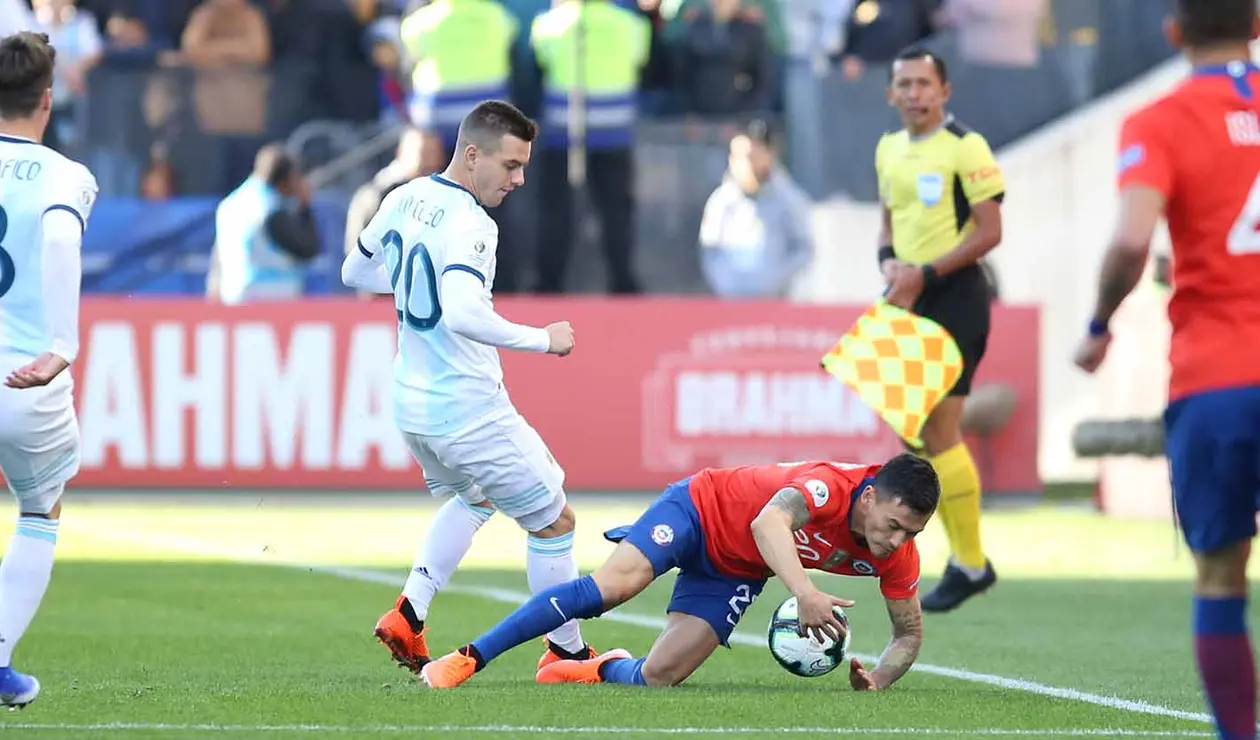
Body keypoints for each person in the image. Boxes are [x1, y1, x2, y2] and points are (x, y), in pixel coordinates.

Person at [340, 100, 596, 674]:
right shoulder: (473, 223)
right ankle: (567, 655)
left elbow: (352, 273)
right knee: (554, 522)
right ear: (472, 154)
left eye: (523, 166)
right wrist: (542, 339)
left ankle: (410, 611)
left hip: (413, 406)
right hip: (467, 409)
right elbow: (460, 313)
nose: (519, 179)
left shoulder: (403, 196)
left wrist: (410, 283)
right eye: (509, 166)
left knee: (475, 498)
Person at [1073, 2, 1260, 737]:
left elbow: (1129, 244)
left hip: (1216, 379)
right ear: (1255, 25)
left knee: (1220, 576)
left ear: (1174, 32)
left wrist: (1097, 325)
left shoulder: (1160, 119)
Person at [420, 454, 939, 690]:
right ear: (870, 497)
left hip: (735, 569)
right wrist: (804, 592)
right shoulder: (829, 487)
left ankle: (587, 667)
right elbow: (768, 521)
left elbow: (908, 632)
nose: (896, 540)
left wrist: (880, 677)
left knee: (660, 676)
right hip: (698, 508)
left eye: (910, 533)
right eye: (893, 525)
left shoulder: (895, 552)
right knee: (613, 588)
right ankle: (469, 658)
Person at [875, 45, 1005, 613]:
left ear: (944, 91)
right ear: (890, 93)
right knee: (912, 434)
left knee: (941, 432)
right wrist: (888, 262)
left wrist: (924, 273)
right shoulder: (887, 149)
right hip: (906, 297)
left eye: (924, 84)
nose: (914, 93)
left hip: (955, 298)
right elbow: (889, 216)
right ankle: (947, 555)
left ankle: (971, 562)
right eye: (904, 84)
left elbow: (990, 231)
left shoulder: (966, 147)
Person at [0, 31, 98, 709]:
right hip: (25, 378)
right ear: (46, 99)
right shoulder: (66, 175)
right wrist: (64, 342)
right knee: (39, 507)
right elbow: (60, 237)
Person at [206, 144, 321, 304]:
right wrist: (305, 207)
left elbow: (218, 257)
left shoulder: (229, 204)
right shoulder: (271, 210)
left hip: (233, 296)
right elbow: (308, 249)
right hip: (272, 296)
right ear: (286, 179)